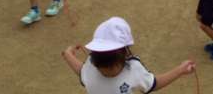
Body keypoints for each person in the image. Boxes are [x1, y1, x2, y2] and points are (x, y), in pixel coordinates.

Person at [62, 17, 195, 92]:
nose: (106, 72)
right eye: (102, 68)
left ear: (125, 55)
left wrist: (180, 70)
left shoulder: (133, 69)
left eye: (111, 68)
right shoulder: (91, 64)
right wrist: (69, 56)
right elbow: (82, 71)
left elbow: (153, 83)